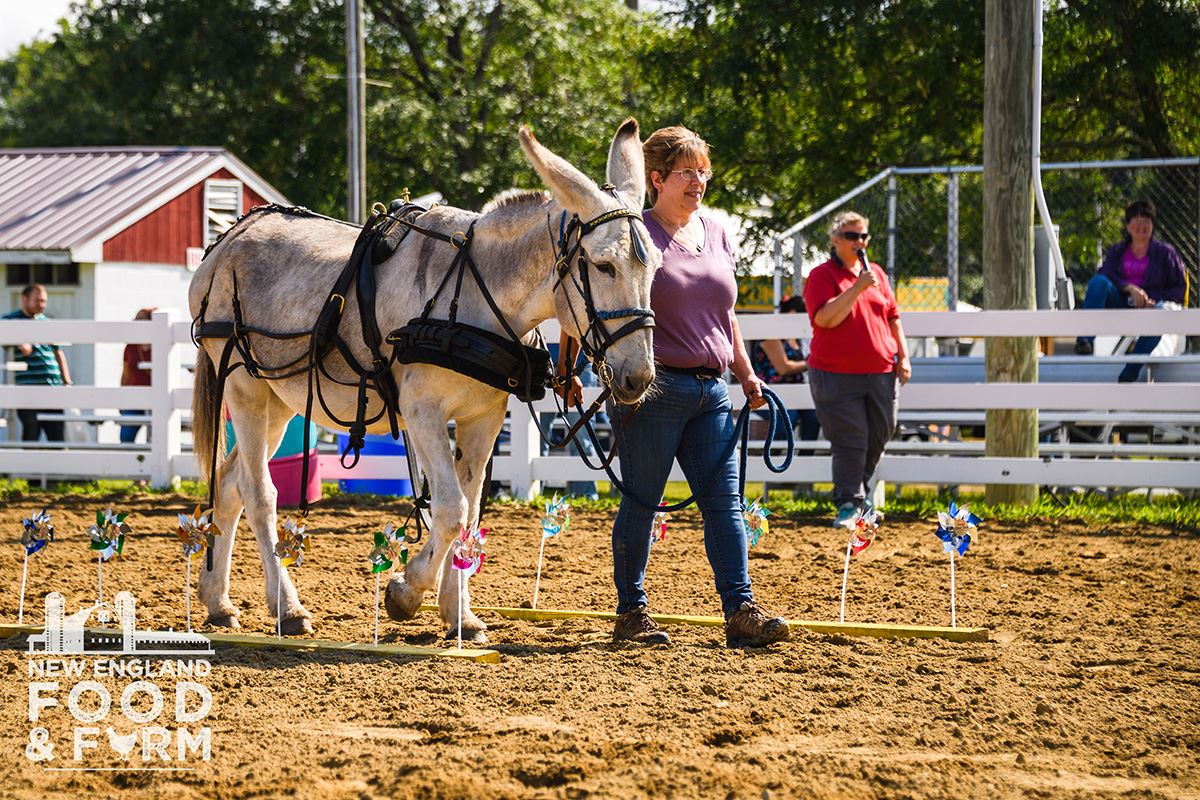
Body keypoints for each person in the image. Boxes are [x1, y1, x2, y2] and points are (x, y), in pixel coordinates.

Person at [560, 125, 790, 649]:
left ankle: (740, 609)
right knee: (641, 501)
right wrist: (567, 365)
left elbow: (725, 315)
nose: (699, 181)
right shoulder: (632, 232)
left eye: (703, 171)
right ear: (657, 179)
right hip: (651, 391)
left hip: (712, 392)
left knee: (725, 505)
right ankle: (631, 613)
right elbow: (587, 300)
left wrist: (747, 374)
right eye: (687, 172)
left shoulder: (717, 231)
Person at [803, 211, 910, 527]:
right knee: (851, 438)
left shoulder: (876, 273)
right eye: (852, 236)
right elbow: (824, 318)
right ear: (835, 240)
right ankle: (849, 503)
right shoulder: (822, 276)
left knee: (881, 432)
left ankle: (856, 495)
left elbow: (892, 317)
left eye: (864, 236)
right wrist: (858, 288)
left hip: (880, 370)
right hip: (835, 373)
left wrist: (903, 356)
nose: (860, 242)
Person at [1073, 199, 1187, 383]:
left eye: (1146, 221)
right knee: (1098, 282)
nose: (1141, 226)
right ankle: (1085, 340)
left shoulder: (1167, 253)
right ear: (1127, 226)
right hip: (1121, 302)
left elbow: (1179, 289)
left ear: (1153, 225)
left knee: (1159, 319)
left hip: (1151, 309)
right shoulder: (1117, 250)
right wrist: (1129, 287)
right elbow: (1105, 274)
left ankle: (1130, 374)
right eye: (1136, 221)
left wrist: (1154, 301)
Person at [751, 294, 821, 449]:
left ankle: (806, 459)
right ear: (790, 312)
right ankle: (773, 458)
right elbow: (783, 367)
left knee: (814, 416)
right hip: (771, 393)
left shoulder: (796, 336)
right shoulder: (771, 333)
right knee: (788, 416)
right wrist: (811, 362)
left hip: (796, 392)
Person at [3, 284, 72, 442]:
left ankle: (56, 466)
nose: (41, 304)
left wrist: (66, 381)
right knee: (31, 431)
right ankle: (29, 465)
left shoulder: (46, 322)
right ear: (24, 299)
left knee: (56, 434)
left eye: (44, 301)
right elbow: (4, 333)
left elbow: (58, 351)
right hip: (28, 388)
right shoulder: (11, 319)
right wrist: (19, 342)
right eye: (37, 300)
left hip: (53, 388)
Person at [119, 307, 155, 443]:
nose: (136, 321)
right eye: (136, 318)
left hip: (156, 396)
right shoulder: (131, 346)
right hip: (135, 396)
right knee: (126, 436)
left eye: (141, 318)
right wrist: (121, 398)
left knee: (157, 438)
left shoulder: (161, 345)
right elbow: (125, 373)